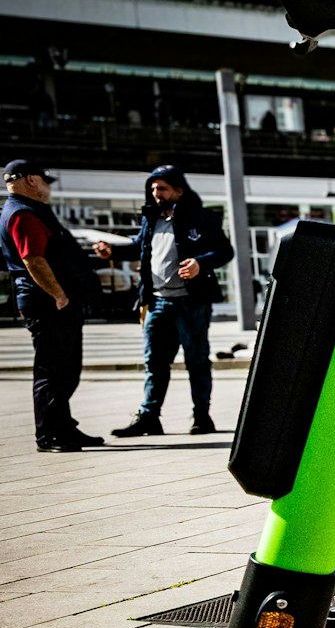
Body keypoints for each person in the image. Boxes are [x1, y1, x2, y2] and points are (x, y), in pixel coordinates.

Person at [95, 165, 235, 435]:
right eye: (152, 189)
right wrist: (112, 251)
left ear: (179, 191)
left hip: (190, 302)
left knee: (197, 360)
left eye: (162, 188)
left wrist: (200, 263)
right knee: (154, 361)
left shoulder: (201, 217)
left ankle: (202, 417)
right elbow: (138, 247)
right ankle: (149, 417)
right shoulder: (151, 219)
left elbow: (224, 251)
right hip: (157, 302)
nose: (156, 193)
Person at [2, 160, 102, 451]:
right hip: (49, 304)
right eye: (45, 181)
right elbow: (33, 259)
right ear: (31, 180)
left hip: (55, 303)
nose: (47, 187)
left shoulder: (29, 211)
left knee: (67, 369)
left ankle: (64, 427)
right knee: (52, 371)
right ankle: (49, 434)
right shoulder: (23, 214)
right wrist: (59, 294)